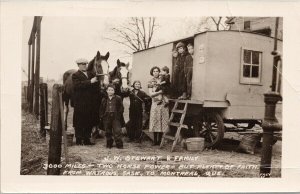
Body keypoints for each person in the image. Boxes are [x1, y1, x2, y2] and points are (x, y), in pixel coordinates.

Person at [72, 58, 98, 145]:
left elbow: (94, 87)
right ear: (78, 65)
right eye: (82, 64)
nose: (84, 65)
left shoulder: (90, 74)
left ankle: (87, 139)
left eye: (85, 64)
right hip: (80, 102)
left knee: (88, 120)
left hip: (90, 102)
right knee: (79, 121)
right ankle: (79, 140)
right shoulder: (75, 75)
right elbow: (77, 86)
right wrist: (90, 81)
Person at [148, 66, 169, 146]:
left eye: (157, 71)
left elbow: (167, 88)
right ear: (152, 73)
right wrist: (159, 92)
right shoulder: (150, 81)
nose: (156, 72)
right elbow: (151, 94)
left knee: (162, 120)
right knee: (155, 120)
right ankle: (155, 140)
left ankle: (160, 140)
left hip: (163, 103)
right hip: (155, 103)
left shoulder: (163, 79)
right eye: (154, 71)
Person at [99, 84, 124, 149]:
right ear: (107, 91)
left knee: (117, 130)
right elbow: (101, 108)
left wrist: (119, 115)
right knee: (107, 131)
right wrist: (102, 116)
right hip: (106, 116)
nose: (110, 91)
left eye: (112, 90)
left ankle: (119, 144)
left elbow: (121, 108)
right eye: (109, 90)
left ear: (114, 91)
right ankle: (109, 143)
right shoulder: (104, 99)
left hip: (115, 116)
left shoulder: (118, 98)